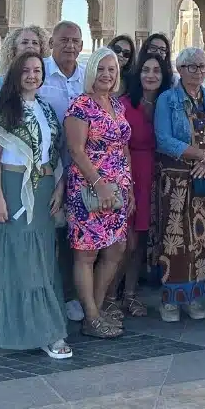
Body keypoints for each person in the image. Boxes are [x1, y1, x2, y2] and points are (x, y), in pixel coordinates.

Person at [0, 51, 71, 359]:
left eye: (37, 70)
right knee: (21, 257)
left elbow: (54, 153)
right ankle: (40, 331)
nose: (33, 75)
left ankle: (44, 326)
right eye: (26, 70)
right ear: (15, 75)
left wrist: (59, 187)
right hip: (13, 188)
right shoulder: (4, 112)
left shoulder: (45, 109)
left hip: (43, 189)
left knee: (43, 257)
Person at [153, 47, 205, 322]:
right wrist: (202, 155)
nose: (198, 72)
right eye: (192, 67)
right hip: (176, 182)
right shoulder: (168, 99)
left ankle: (196, 296)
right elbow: (163, 139)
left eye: (202, 67)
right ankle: (172, 299)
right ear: (180, 68)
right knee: (177, 240)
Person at [63, 48, 130, 339]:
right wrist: (99, 183)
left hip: (117, 189)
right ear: (92, 72)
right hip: (88, 189)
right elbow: (76, 150)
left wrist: (131, 189)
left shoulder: (116, 105)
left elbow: (122, 147)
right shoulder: (81, 105)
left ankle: (97, 309)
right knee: (87, 254)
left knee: (116, 248)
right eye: (101, 69)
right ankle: (90, 316)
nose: (106, 75)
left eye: (111, 70)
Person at [115, 49, 170, 317]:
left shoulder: (168, 103)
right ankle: (109, 296)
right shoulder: (124, 104)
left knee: (142, 236)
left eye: (156, 71)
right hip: (129, 173)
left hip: (157, 175)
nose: (151, 75)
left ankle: (130, 295)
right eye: (146, 70)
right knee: (126, 241)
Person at [39, 21, 88, 323]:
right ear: (51, 43)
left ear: (82, 46)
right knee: (47, 234)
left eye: (75, 41)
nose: (70, 46)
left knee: (74, 236)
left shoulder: (88, 76)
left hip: (81, 170)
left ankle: (71, 295)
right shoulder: (39, 73)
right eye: (64, 40)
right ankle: (46, 295)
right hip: (45, 168)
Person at [0, 25, 49, 95]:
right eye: (24, 42)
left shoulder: (46, 86)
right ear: (14, 49)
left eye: (35, 43)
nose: (30, 46)